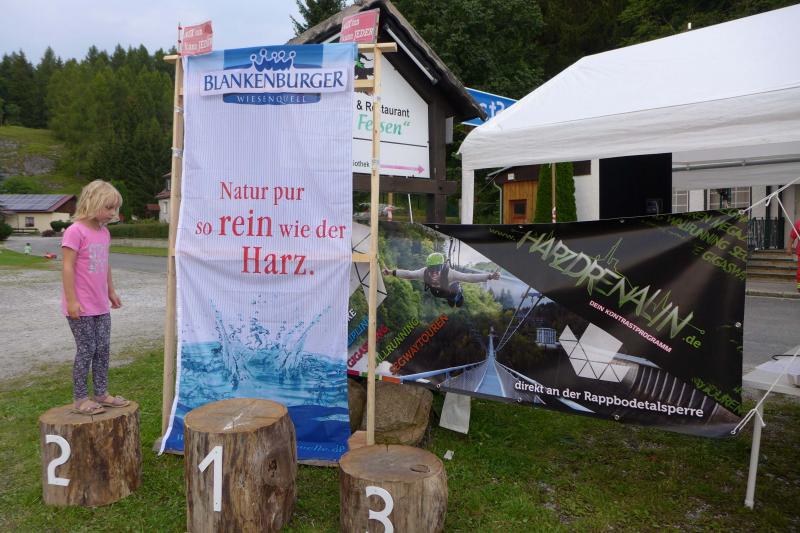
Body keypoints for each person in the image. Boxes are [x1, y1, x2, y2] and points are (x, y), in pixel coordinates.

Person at [61, 180, 129, 415]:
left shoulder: (104, 232)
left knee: (103, 349)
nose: (113, 213)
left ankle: (101, 393)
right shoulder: (75, 231)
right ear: (92, 203)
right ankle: (80, 399)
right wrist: (71, 300)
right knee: (87, 349)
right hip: (81, 307)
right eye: (109, 208)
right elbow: (67, 267)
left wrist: (111, 291)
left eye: (115, 208)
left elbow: (105, 264)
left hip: (100, 305)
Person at [383, 252, 500, 307]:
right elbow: (409, 274)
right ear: (428, 268)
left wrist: (489, 276)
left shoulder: (450, 274)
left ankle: (458, 296)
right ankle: (451, 299)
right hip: (439, 293)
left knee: (456, 299)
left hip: (452, 290)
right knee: (443, 296)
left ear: (442, 267)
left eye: (437, 268)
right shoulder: (424, 273)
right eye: (431, 269)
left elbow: (468, 277)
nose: (434, 272)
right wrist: (391, 272)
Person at [787, 218, 800, 293]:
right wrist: (789, 248)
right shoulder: (798, 224)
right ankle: (799, 286)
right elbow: (792, 237)